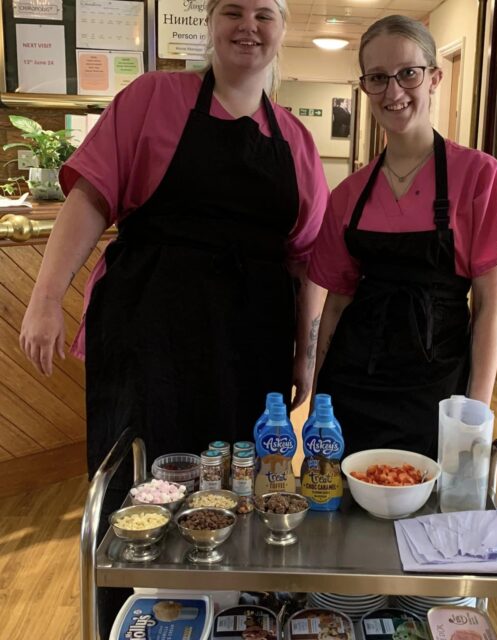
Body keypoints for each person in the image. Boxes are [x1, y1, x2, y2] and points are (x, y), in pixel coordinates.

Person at [20, 0, 327, 633]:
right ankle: (129, 618)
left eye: (265, 13)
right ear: (209, 23)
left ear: (282, 30)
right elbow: (91, 196)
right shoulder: (153, 97)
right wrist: (46, 297)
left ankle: (231, 616)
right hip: (148, 324)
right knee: (140, 472)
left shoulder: (294, 138)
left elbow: (303, 260)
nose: (248, 26)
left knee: (239, 476)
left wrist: (304, 351)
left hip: (251, 335)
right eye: (232, 11)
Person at [309, 15, 497, 460]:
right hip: (354, 380)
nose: (393, 92)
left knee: (428, 516)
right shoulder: (348, 194)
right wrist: (319, 402)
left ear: (434, 77)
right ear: (365, 87)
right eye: (377, 78)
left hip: (439, 389)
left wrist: (473, 415)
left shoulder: (481, 178)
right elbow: (335, 304)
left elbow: (489, 309)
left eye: (408, 73)